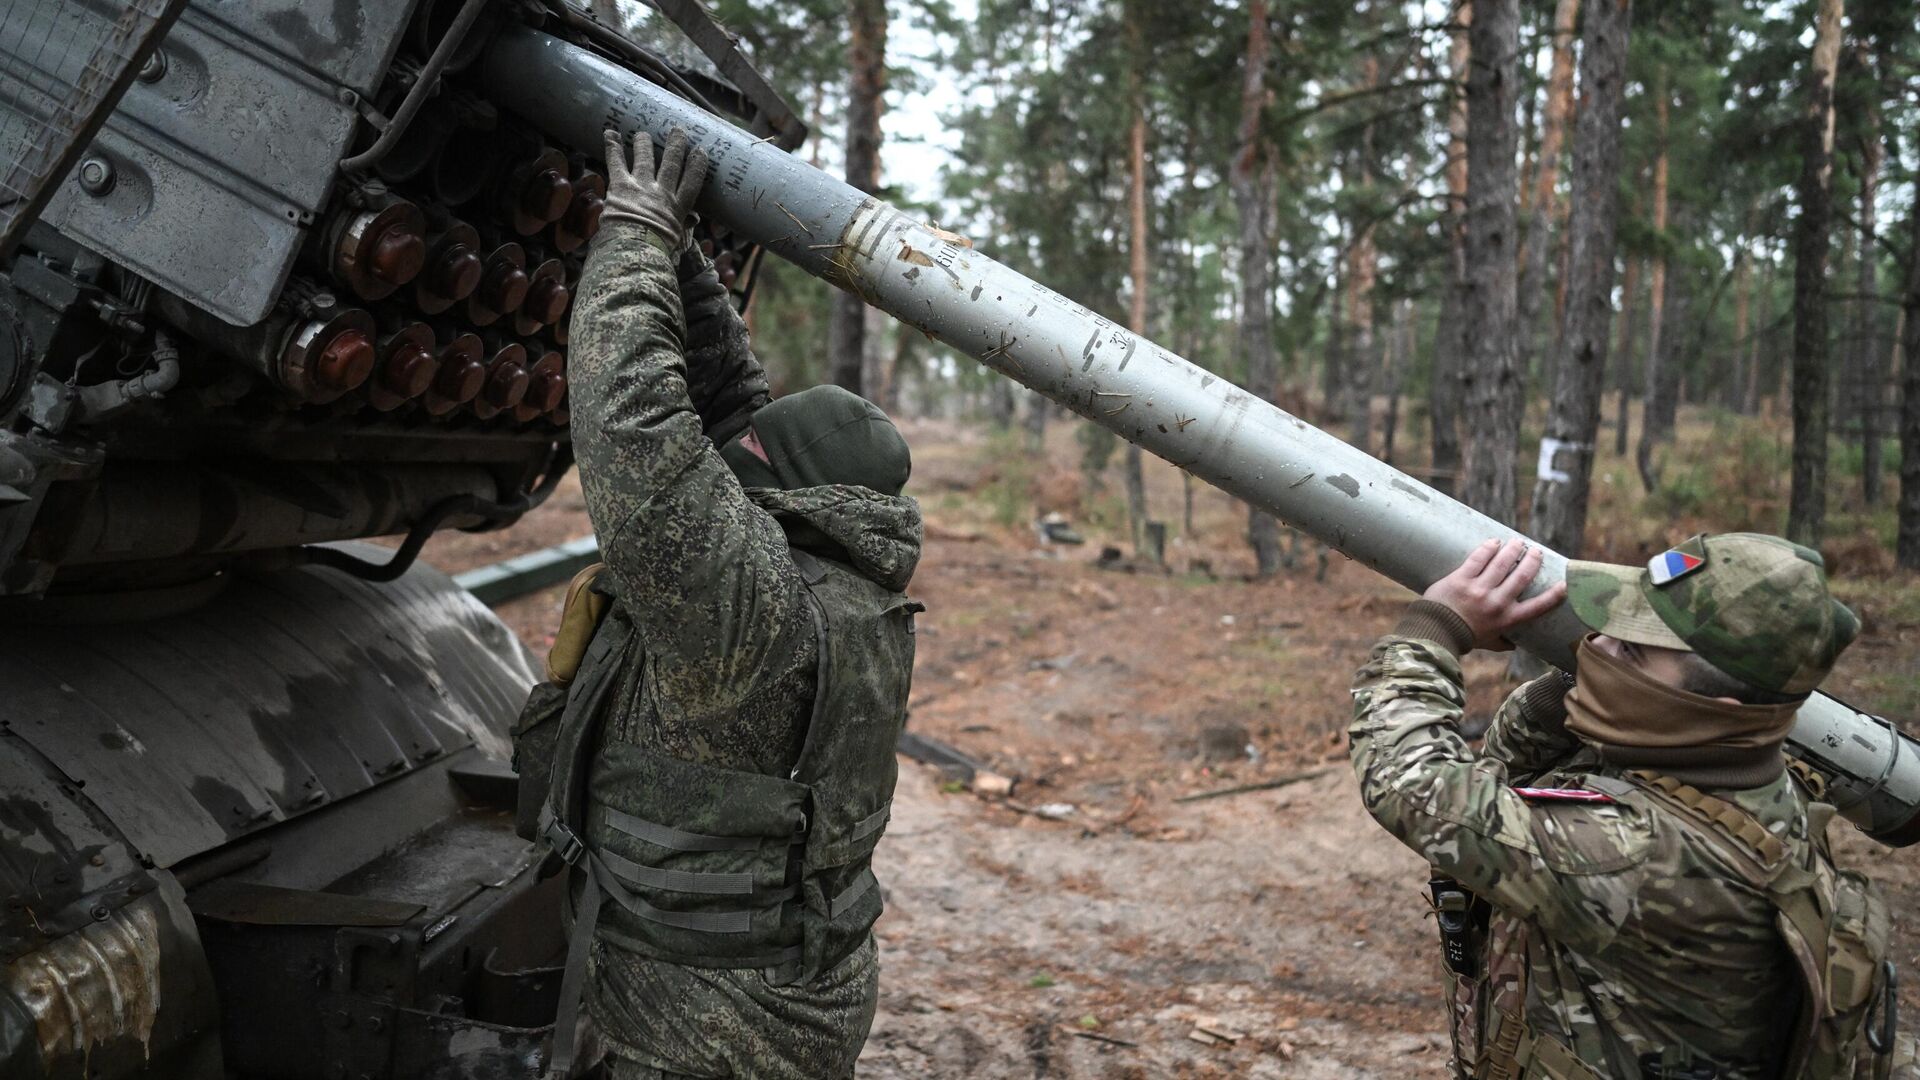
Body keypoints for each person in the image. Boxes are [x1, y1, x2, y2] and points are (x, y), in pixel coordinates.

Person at [533, 126, 924, 1079]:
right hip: (788, 1007)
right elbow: (728, 406)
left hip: (701, 1037)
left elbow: (637, 419)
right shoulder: (846, 577)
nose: (728, 455)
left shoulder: (748, 603)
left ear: (778, 491)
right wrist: (688, 255)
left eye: (742, 461)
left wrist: (632, 233)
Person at [1349, 534, 1902, 1079]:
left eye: (1630, 648)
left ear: (1712, 707)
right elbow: (1513, 774)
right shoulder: (1739, 778)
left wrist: (1438, 625)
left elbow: (1411, 783)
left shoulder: (1639, 854)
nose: (1597, 644)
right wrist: (1580, 687)